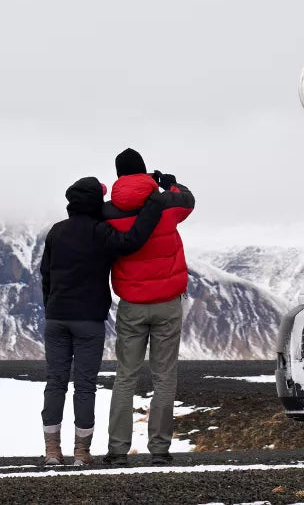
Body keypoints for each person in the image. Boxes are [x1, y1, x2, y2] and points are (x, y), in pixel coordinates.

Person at [40, 176, 164, 467]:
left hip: (56, 318)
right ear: (96, 202)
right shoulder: (100, 231)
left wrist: (51, 307)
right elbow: (132, 241)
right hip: (89, 320)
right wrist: (152, 206)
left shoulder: (56, 232)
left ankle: (52, 451)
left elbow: (45, 275)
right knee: (84, 386)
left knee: (55, 382)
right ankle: (81, 453)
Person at [102, 148, 195, 467]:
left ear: (118, 177)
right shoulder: (166, 204)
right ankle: (159, 449)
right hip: (168, 304)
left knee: (125, 375)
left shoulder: (109, 212)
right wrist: (169, 183)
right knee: (164, 376)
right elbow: (188, 199)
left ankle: (117, 449)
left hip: (131, 307)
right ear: (143, 172)